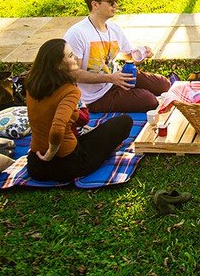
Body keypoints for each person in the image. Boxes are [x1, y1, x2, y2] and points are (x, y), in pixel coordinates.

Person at [25, 38, 132, 182]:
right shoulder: (69, 91)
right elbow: (57, 129)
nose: (75, 57)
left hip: (36, 166)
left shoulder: (32, 83)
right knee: (124, 122)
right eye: (70, 56)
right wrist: (51, 153)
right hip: (68, 165)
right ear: (57, 65)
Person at [64, 0, 173, 113]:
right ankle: (133, 94)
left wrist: (141, 55)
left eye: (116, 0)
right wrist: (110, 78)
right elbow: (73, 74)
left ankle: (131, 93)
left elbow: (128, 56)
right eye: (111, 2)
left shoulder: (113, 29)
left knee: (163, 85)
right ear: (95, 5)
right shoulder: (77, 34)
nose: (115, 5)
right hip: (96, 97)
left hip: (116, 77)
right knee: (149, 100)